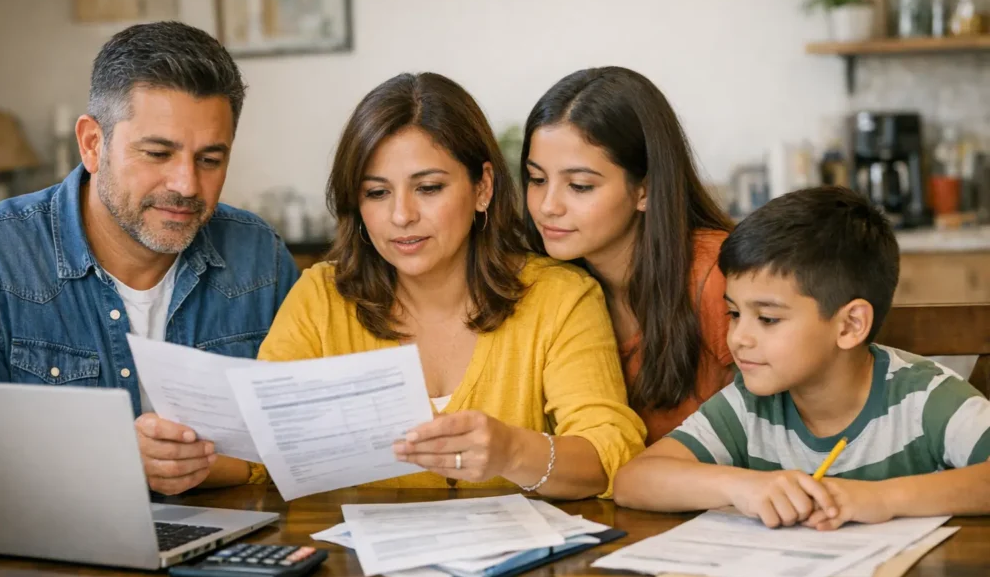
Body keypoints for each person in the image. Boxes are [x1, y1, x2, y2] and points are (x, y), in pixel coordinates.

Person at [150, 71, 647, 499]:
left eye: (429, 188)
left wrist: (511, 450)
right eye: (376, 192)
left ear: (483, 187)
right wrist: (177, 461)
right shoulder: (321, 297)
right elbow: (261, 455)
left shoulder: (559, 296)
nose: (402, 216)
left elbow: (610, 451)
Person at [0, 21, 299, 495]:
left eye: (209, 159)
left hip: (234, 545)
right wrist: (109, 459)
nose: (186, 184)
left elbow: (302, 441)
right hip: (53, 557)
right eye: (158, 153)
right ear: (92, 144)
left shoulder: (259, 257)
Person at [613, 186, 990, 529]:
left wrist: (883, 498)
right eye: (734, 313)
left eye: (768, 319)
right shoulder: (750, 406)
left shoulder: (923, 398)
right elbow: (634, 481)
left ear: (849, 326)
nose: (738, 338)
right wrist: (744, 486)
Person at [521, 67, 735, 445]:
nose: (548, 206)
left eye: (580, 185)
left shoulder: (722, 277)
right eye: (537, 179)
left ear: (646, 190)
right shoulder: (549, 288)